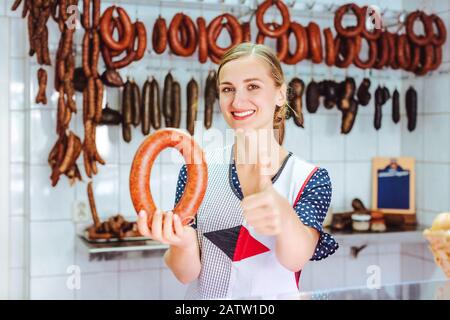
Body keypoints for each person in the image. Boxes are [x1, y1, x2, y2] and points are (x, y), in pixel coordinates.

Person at [137, 42, 338, 299]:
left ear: (280, 94)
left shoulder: (310, 178)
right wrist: (182, 243)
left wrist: (282, 214)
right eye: (227, 89)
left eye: (252, 86)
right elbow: (185, 273)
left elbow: (295, 259)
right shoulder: (196, 170)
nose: (237, 100)